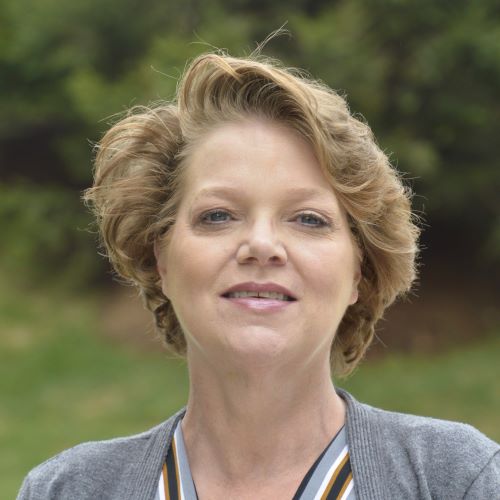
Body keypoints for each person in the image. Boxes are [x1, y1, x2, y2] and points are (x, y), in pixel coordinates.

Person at [18, 50, 499, 500]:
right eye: (218, 215)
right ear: (161, 257)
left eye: (308, 219)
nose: (262, 246)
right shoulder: (67, 490)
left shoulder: (456, 479)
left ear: (359, 269)